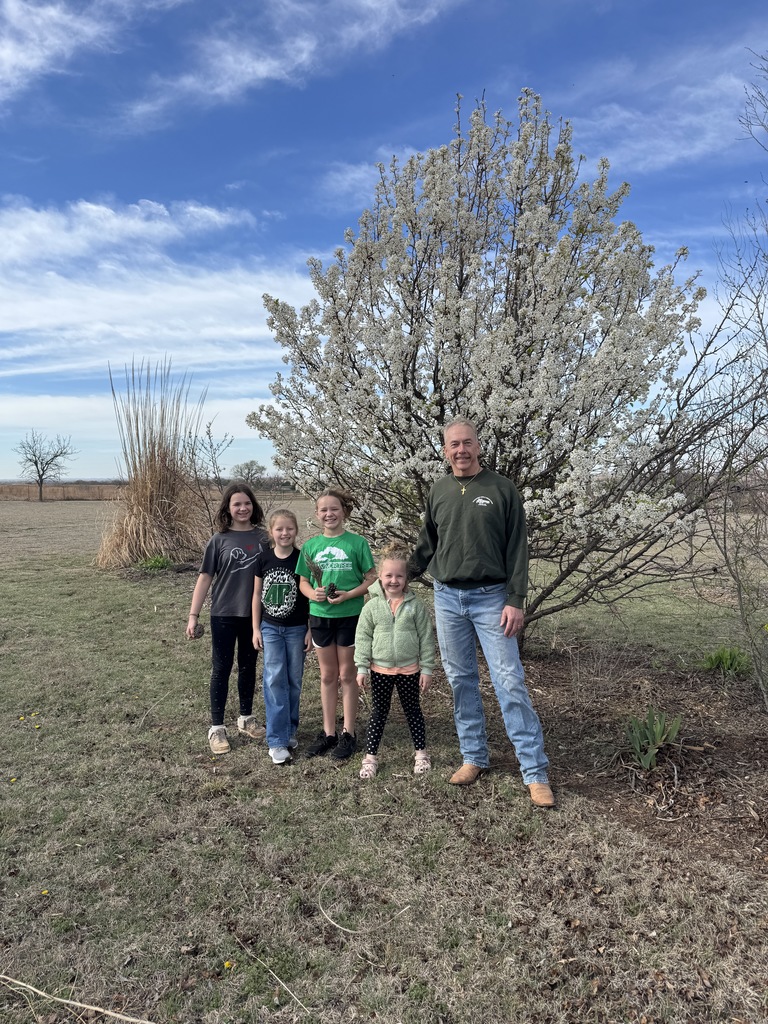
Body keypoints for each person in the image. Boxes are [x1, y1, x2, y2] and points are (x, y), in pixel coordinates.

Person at [412, 418, 554, 807]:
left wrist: (516, 598)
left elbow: (517, 550)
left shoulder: (502, 489)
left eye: (467, 443)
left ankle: (534, 772)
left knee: (509, 681)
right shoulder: (438, 490)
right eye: (453, 444)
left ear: (478, 446)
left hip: (492, 598)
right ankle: (474, 756)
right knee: (461, 681)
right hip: (447, 598)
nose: (461, 450)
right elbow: (428, 544)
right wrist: (400, 575)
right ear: (445, 450)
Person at [186, 483, 268, 755]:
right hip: (223, 614)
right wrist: (193, 615)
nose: (243, 508)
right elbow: (205, 578)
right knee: (221, 669)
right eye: (237, 504)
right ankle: (217, 728)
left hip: (254, 617)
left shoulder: (264, 538)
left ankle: (246, 718)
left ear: (253, 506)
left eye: (247, 503)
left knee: (248, 667)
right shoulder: (218, 540)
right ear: (228, 509)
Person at [296, 488, 376, 761]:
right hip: (320, 617)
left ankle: (348, 732)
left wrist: (350, 595)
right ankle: (328, 733)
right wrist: (312, 594)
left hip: (350, 616)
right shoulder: (310, 547)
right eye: (323, 510)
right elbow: (304, 581)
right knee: (328, 676)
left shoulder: (357, 543)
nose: (329, 514)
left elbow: (370, 577)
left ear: (344, 512)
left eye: (334, 509)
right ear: (317, 515)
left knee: (347, 675)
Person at [354, 545, 435, 779]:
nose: (393, 580)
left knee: (413, 711)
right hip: (380, 670)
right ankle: (370, 758)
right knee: (379, 713)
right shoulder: (371, 607)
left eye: (399, 575)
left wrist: (427, 668)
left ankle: (421, 754)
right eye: (388, 575)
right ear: (380, 576)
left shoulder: (416, 607)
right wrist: (361, 667)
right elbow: (362, 637)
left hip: (410, 669)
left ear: (406, 578)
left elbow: (426, 639)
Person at [252, 509, 311, 766]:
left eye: (289, 529)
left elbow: (309, 596)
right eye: (279, 529)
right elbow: (256, 596)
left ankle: (289, 731)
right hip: (271, 628)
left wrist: (310, 628)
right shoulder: (262, 559)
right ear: (271, 533)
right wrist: (256, 628)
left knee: (294, 680)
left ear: (296, 531)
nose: (284, 533)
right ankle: (276, 740)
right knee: (274, 679)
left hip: (297, 629)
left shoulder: (302, 560)